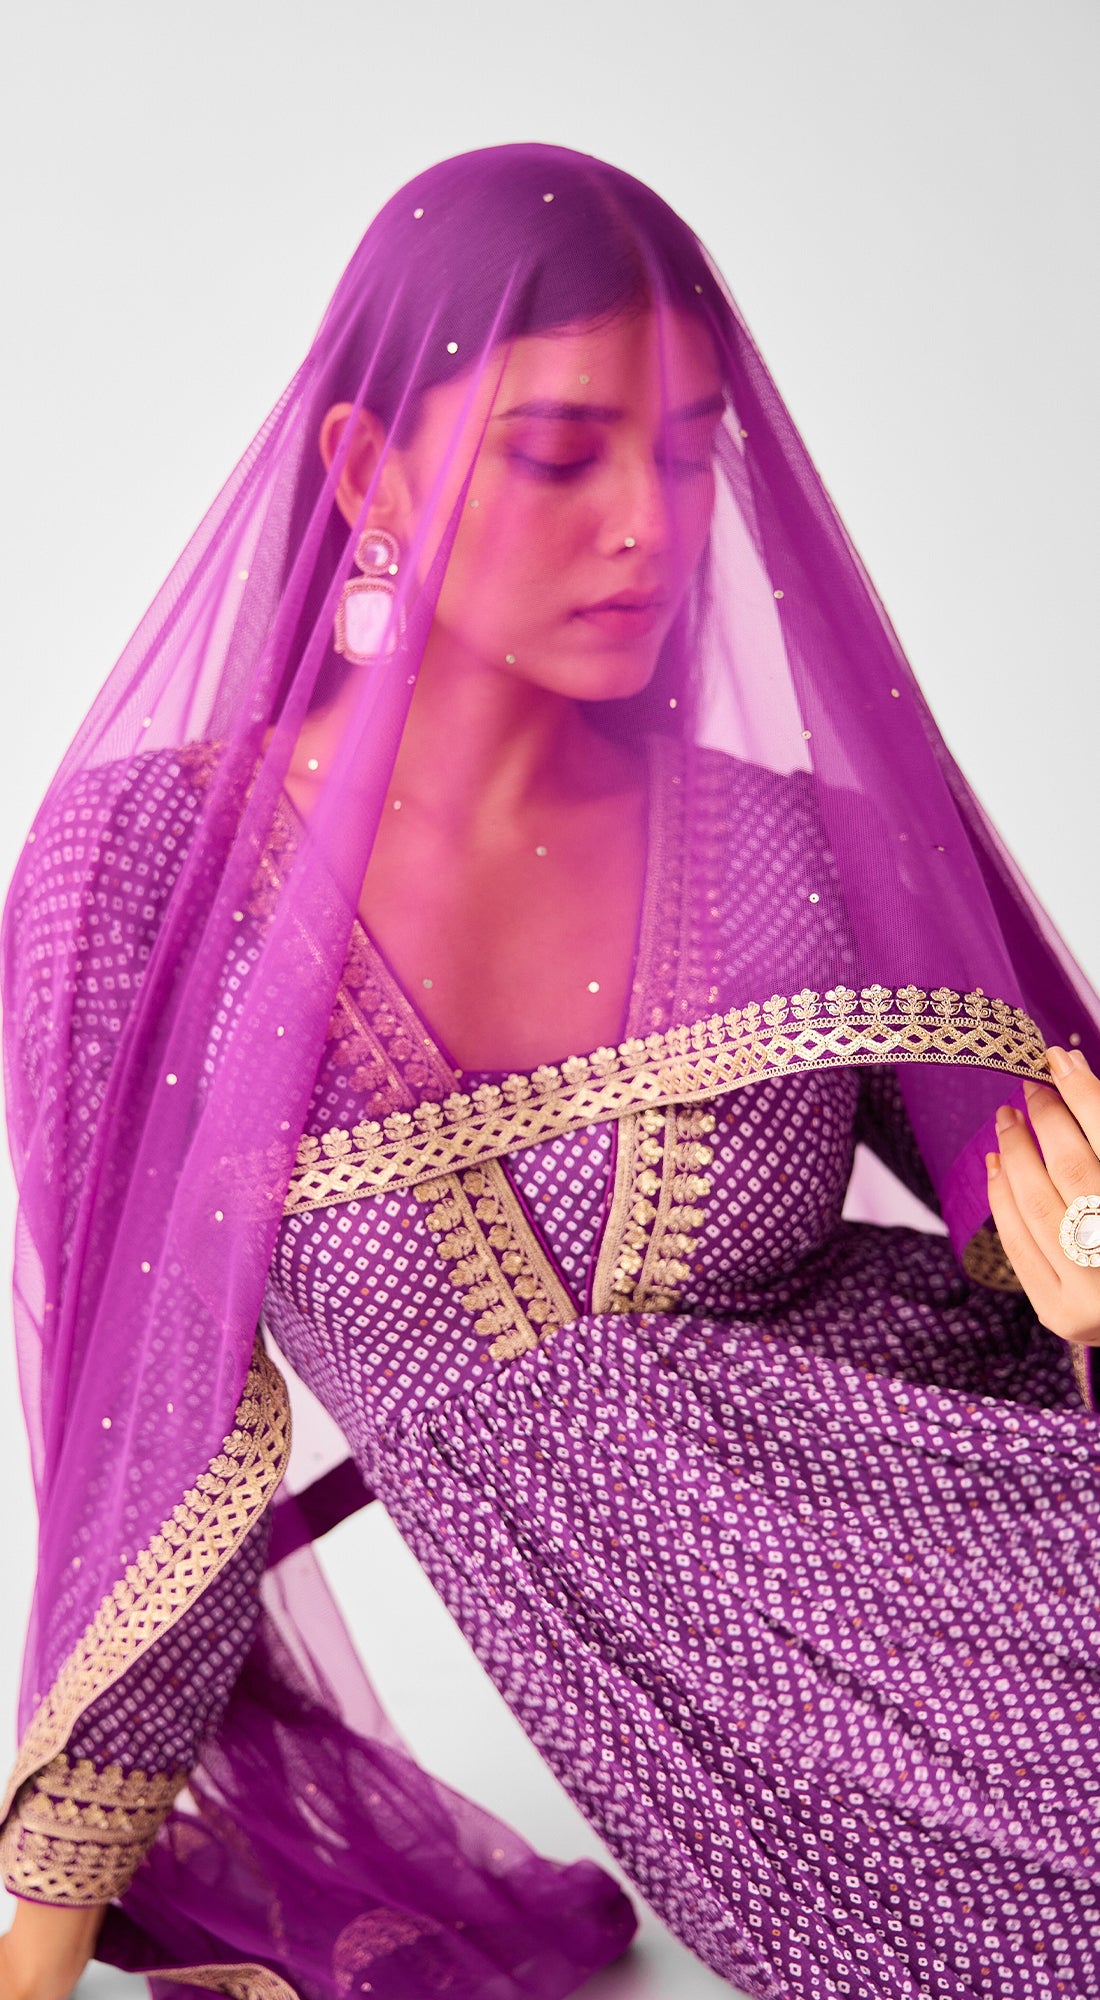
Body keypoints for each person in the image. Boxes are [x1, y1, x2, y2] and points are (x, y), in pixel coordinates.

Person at [0, 142, 1098, 2000]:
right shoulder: (146, 883)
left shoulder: (803, 851)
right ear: (369, 470)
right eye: (560, 452)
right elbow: (153, 1442)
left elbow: (1059, 1219)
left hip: (1021, 1562)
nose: (649, 530)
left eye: (687, 456)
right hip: (797, 1799)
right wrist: (40, 1939)